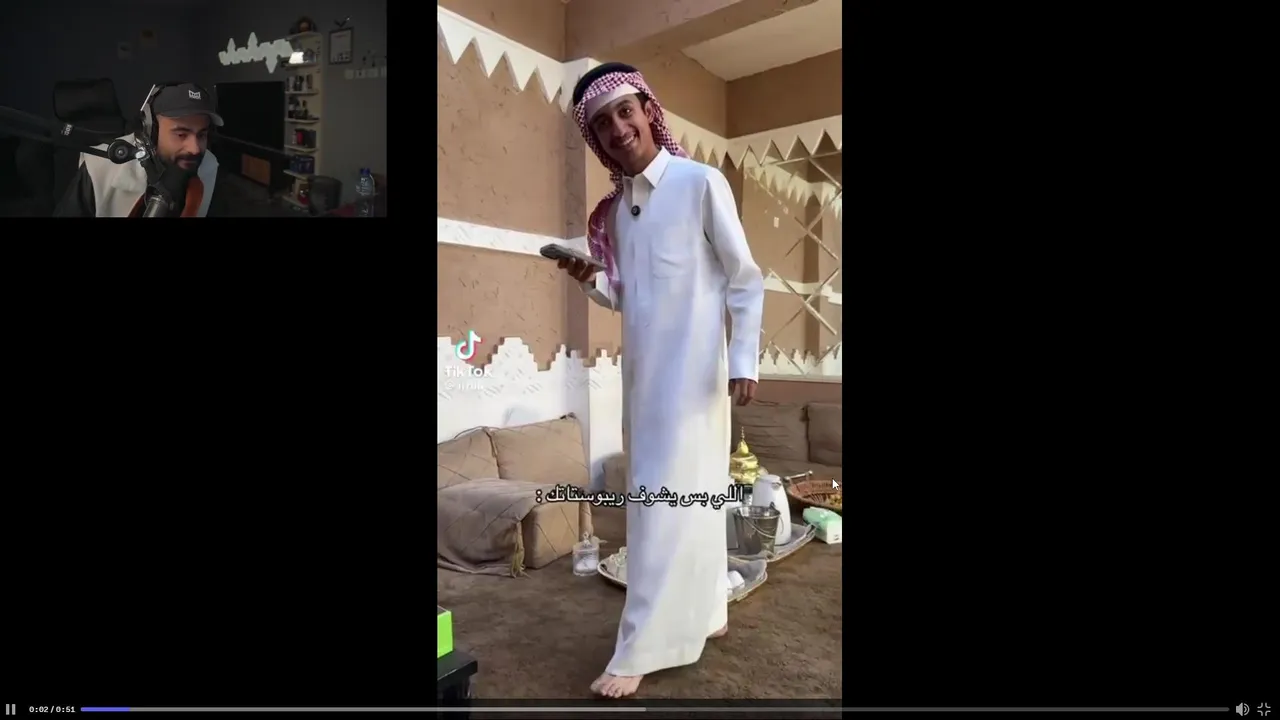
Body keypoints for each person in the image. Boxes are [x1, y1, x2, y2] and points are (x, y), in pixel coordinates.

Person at [558, 62, 765, 698]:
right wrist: (593, 281)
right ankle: (708, 611)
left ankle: (640, 648)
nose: (619, 128)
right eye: (603, 123)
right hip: (644, 386)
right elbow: (632, 295)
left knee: (659, 513)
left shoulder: (701, 183)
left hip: (695, 383)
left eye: (626, 111)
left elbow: (744, 277)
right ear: (595, 137)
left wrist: (743, 359)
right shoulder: (618, 214)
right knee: (693, 506)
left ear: (649, 111)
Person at [55, 82, 228, 217]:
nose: (195, 149)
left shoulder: (211, 168)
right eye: (181, 135)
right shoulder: (101, 168)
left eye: (201, 135)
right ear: (151, 132)